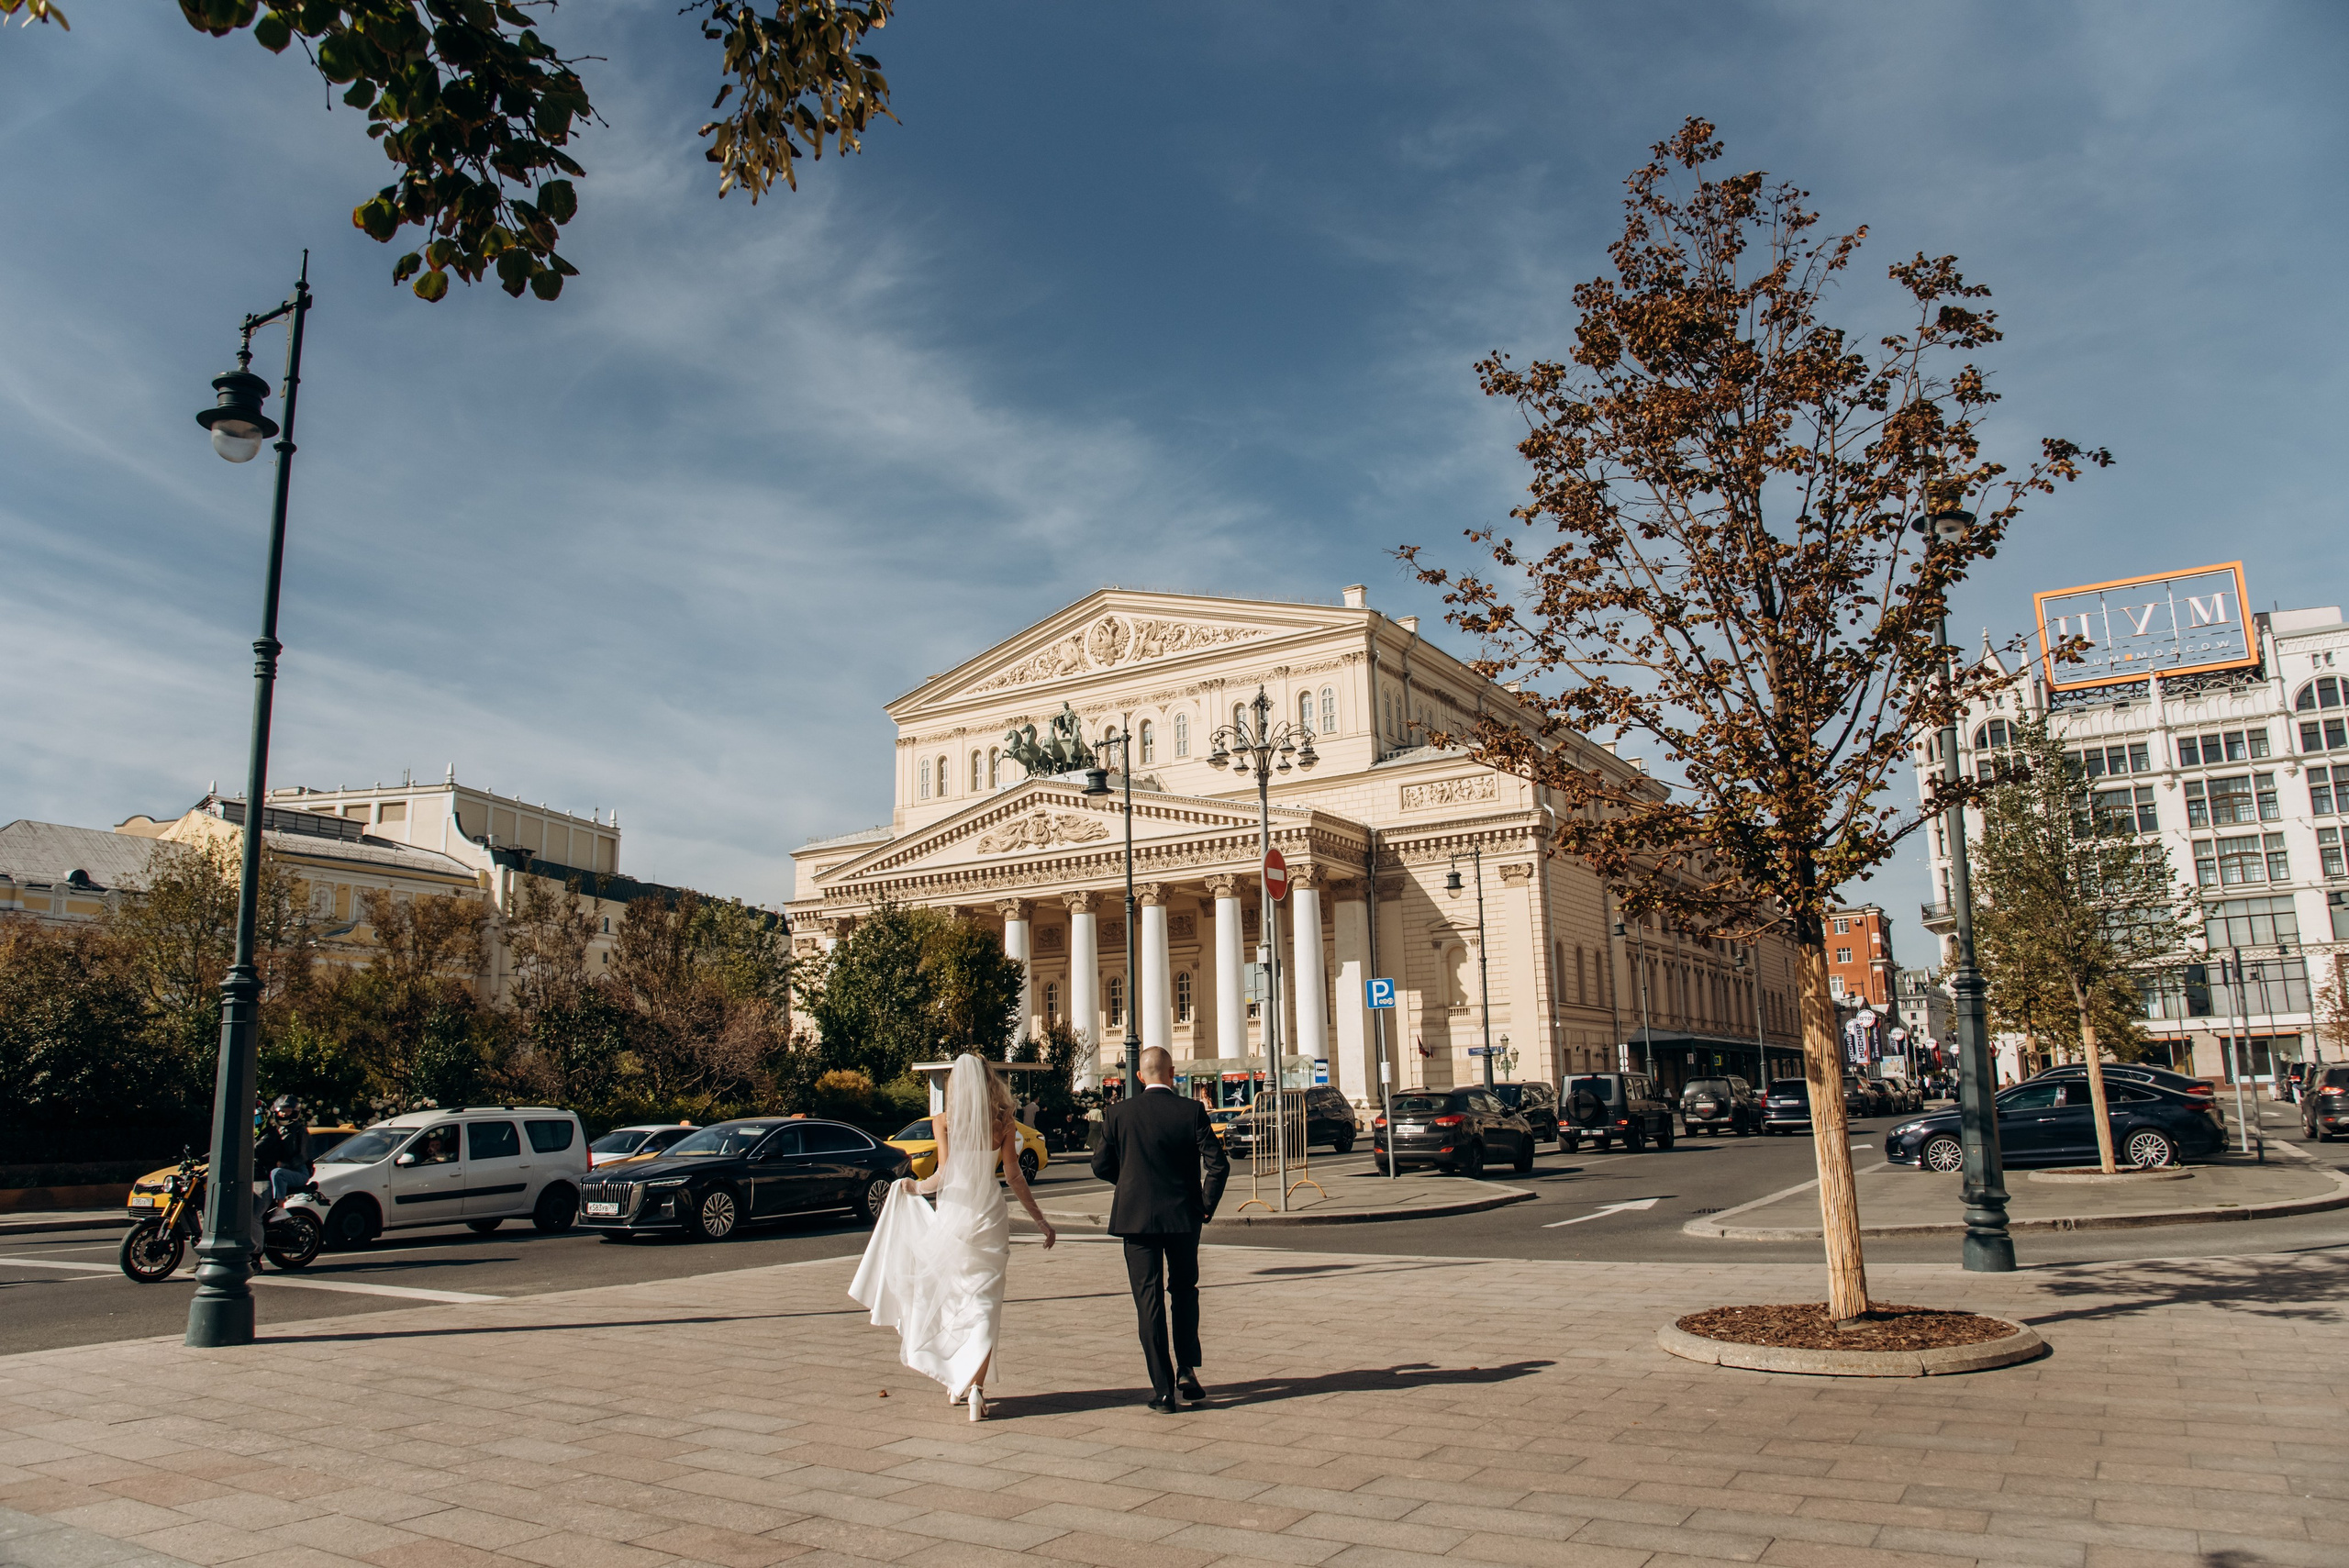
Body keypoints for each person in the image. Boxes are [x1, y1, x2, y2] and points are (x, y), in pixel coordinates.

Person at [850, 1054, 1055, 1421]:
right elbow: (1014, 1177)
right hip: (990, 1217)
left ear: (955, 1086)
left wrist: (911, 1186)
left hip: (955, 1216)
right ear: (989, 1083)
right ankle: (976, 1389)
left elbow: (941, 1177)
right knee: (986, 1307)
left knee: (955, 1299)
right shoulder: (1003, 1123)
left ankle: (955, 1381)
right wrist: (1040, 1220)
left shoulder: (943, 1122)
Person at [1090, 1045, 1230, 1413]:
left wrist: (1129, 1183)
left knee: (1147, 1301)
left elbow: (1100, 1165)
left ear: (1140, 1076)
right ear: (1173, 1073)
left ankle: (1163, 1390)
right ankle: (1187, 1369)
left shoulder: (1118, 1113)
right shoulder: (1191, 1110)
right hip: (1184, 1218)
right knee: (1184, 1292)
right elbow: (1219, 1166)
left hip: (1136, 1221)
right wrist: (1204, 1205)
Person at [250, 1096, 311, 1253]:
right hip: (275, 1173)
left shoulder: (299, 1130)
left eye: (287, 1111)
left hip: (296, 1171)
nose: (283, 1114)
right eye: (281, 1111)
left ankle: (280, 1209)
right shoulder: (276, 1130)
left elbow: (303, 1156)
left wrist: (285, 1165)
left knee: (254, 1215)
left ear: (295, 1112)